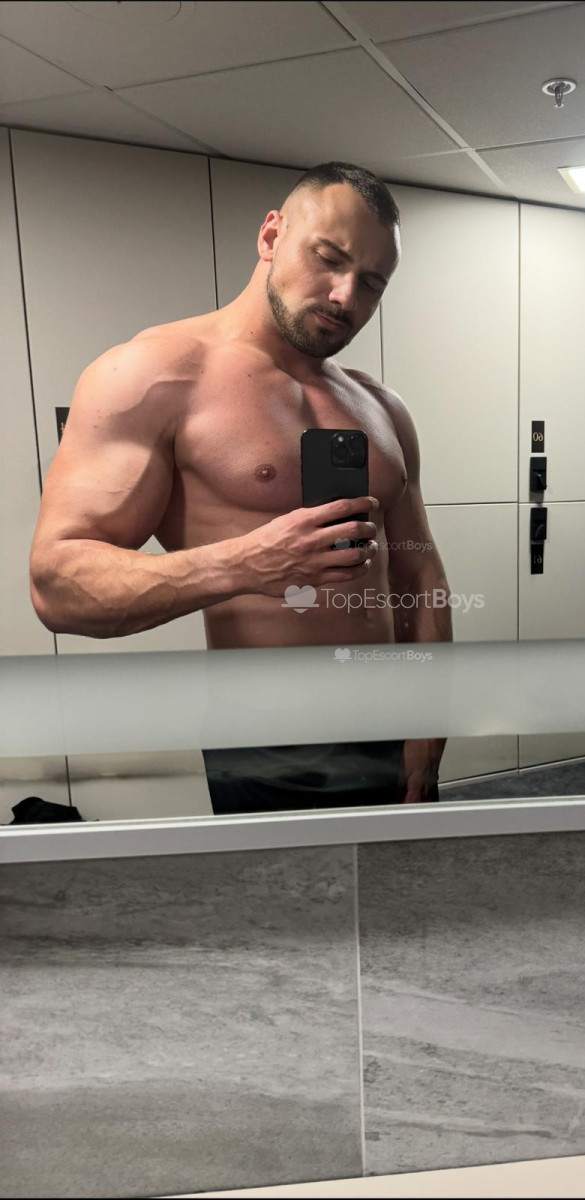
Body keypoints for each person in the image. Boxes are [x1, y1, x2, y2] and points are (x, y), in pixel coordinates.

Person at [28, 161, 453, 813]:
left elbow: (420, 574)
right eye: (328, 259)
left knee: (404, 883)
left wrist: (429, 721)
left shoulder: (380, 405)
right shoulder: (152, 375)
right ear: (271, 236)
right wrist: (246, 564)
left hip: (391, 726)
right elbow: (57, 583)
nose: (345, 297)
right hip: (267, 742)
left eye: (372, 283)